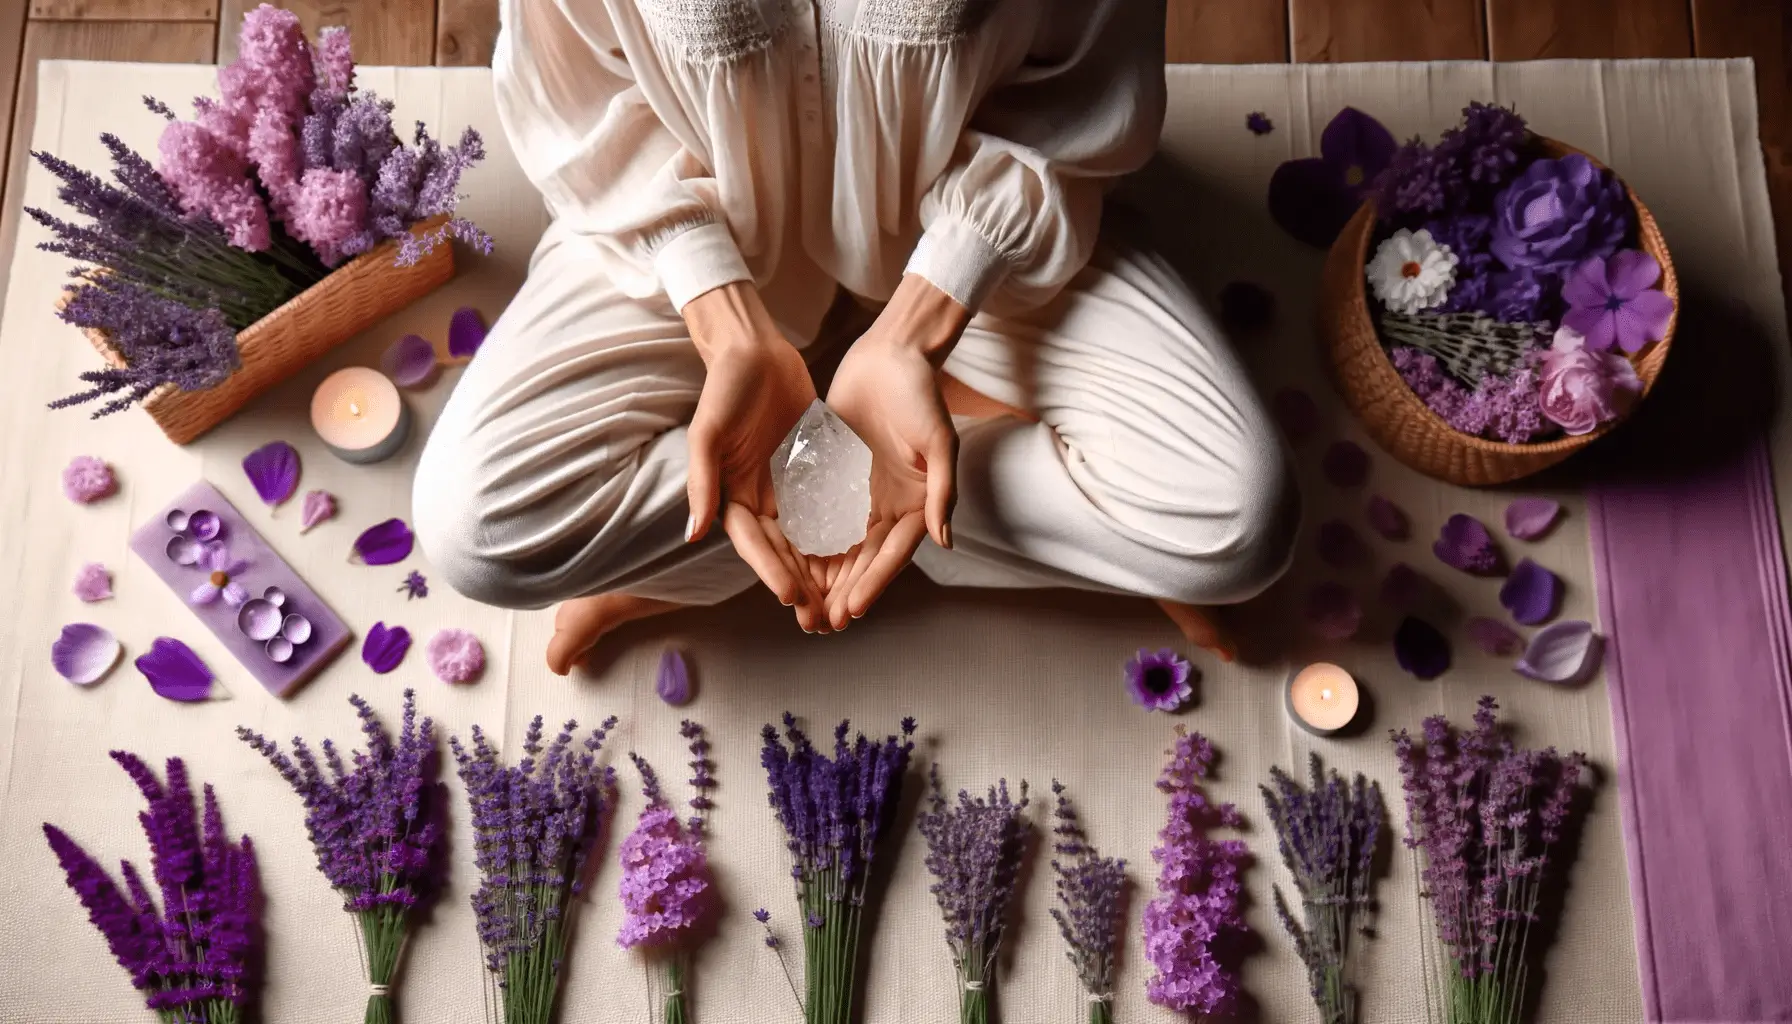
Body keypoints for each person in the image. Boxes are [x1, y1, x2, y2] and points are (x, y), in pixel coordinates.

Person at [414, 0, 1301, 675]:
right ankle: (917, 498)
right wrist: (726, 328)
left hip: (978, 237)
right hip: (694, 224)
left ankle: (855, 498)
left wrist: (922, 322)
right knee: (477, 532)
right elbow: (581, 98)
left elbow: (1076, 89)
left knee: (1239, 521)